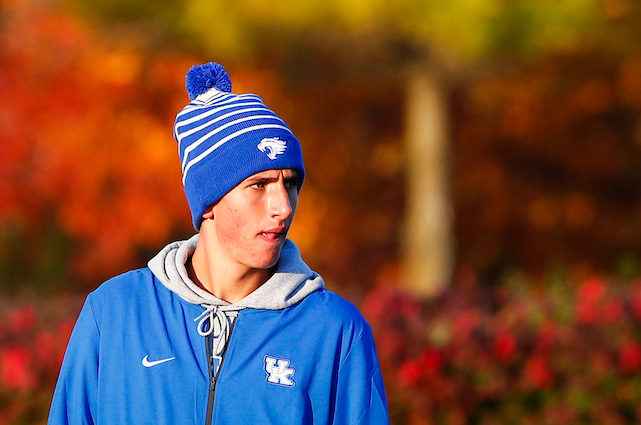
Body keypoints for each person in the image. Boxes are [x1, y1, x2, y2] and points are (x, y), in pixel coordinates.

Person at [47, 62, 390, 425]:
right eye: (259, 185)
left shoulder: (335, 331)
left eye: (289, 184)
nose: (283, 207)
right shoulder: (114, 313)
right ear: (208, 201)